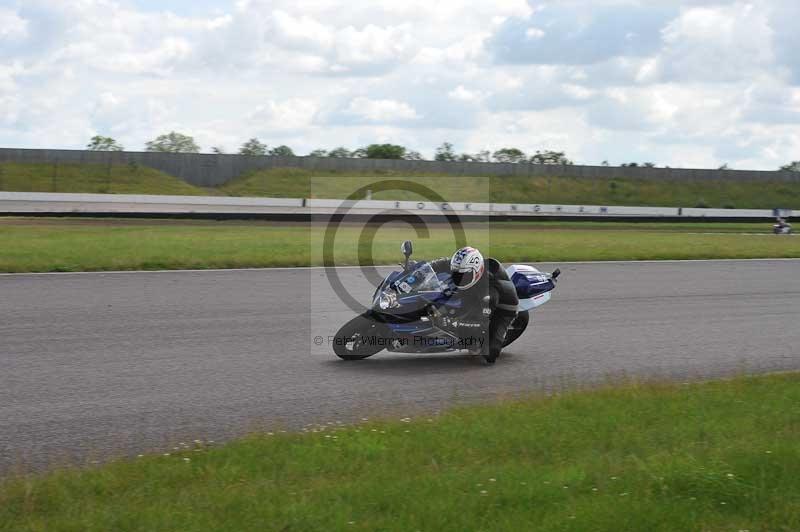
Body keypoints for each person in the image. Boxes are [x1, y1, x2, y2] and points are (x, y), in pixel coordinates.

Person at [427, 247, 519, 365]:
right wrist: (421, 268)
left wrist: (450, 323)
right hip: (474, 290)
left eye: (463, 275)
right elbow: (440, 264)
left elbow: (479, 323)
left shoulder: (489, 293)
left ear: (476, 272)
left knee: (490, 354)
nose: (459, 278)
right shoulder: (463, 265)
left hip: (503, 307)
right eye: (457, 274)